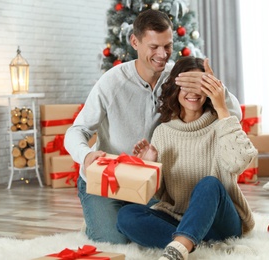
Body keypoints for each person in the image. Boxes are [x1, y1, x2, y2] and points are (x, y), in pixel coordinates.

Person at [64, 9, 242, 245]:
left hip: (149, 179)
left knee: (151, 225)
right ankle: (101, 219)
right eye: (154, 47)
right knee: (115, 239)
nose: (162, 54)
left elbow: (234, 114)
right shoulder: (111, 81)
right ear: (135, 42)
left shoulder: (176, 78)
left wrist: (216, 87)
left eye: (167, 46)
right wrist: (85, 156)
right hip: (108, 180)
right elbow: (77, 131)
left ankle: (186, 240)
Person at [116, 56, 257, 260]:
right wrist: (149, 166)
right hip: (179, 220)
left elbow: (239, 162)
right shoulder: (163, 132)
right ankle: (194, 247)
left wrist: (222, 107)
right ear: (175, 88)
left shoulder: (222, 123)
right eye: (186, 85)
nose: (192, 92)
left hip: (221, 223)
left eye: (199, 85)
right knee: (126, 216)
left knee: (209, 184)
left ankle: (180, 247)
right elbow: (156, 195)